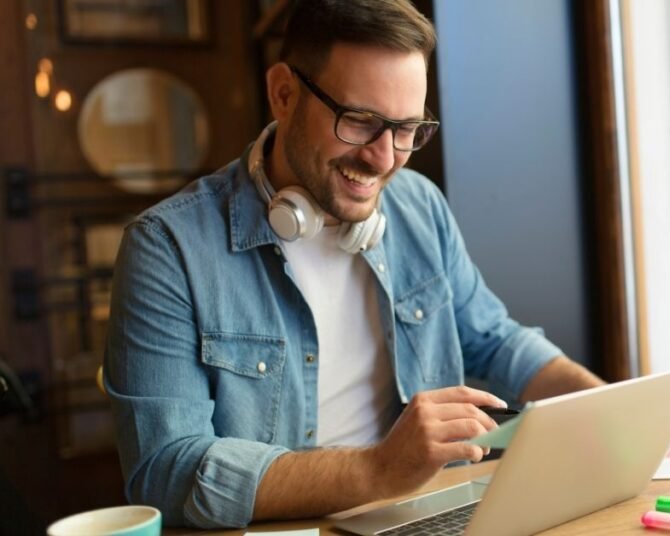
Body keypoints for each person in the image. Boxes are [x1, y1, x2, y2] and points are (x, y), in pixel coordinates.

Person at [103, 0, 604, 529]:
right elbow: (166, 470)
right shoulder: (166, 249)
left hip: (421, 511)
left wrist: (609, 410)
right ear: (284, 94)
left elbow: (495, 339)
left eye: (407, 129)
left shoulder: (419, 206)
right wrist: (381, 469)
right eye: (360, 121)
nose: (384, 158)